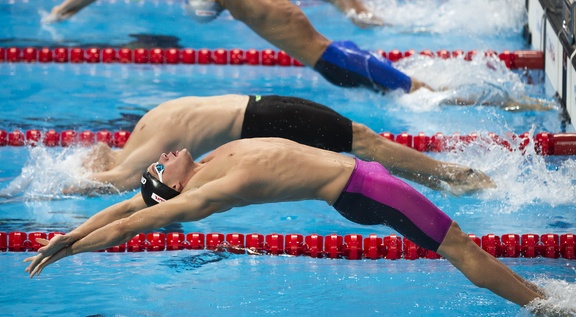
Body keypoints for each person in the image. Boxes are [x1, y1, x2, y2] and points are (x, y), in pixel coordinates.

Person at [24, 137, 544, 310]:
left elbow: (124, 208)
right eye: (159, 167)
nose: (161, 155)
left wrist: (68, 231)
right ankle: (548, 308)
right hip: (365, 189)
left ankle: (541, 300)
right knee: (459, 248)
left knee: (458, 246)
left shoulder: (205, 164)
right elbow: (132, 224)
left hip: (362, 182)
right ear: (175, 189)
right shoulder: (208, 192)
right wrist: (68, 247)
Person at [72, 94, 494, 195]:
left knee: (364, 142)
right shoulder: (148, 126)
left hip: (266, 118)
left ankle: (456, 176)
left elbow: (120, 180)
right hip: (261, 106)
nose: (161, 166)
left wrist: (65, 185)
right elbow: (115, 164)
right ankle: (449, 176)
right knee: (363, 141)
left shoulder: (156, 145)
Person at [43, 0, 430, 94]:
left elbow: (202, 12)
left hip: (340, 63)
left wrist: (63, 12)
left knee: (422, 93)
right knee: (420, 90)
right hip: (339, 55)